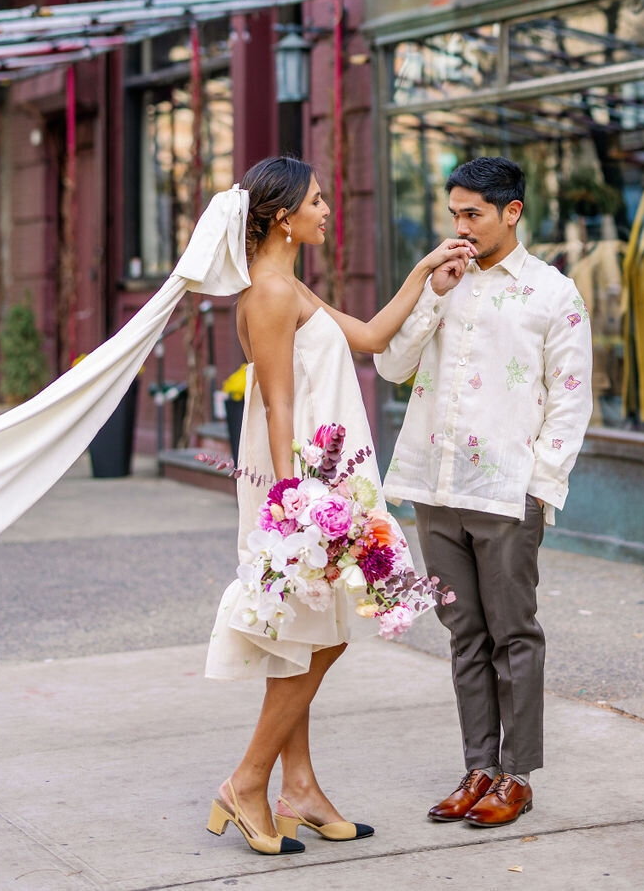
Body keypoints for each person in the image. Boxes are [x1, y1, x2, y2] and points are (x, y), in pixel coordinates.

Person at [205, 156, 474, 857]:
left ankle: (299, 788)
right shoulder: (267, 294)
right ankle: (248, 780)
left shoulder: (290, 286)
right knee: (315, 634)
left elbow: (371, 337)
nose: (328, 210)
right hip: (302, 480)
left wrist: (423, 274)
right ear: (281, 217)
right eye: (317, 201)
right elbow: (276, 400)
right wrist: (297, 499)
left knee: (311, 631)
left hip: (325, 473)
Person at [375, 156, 593, 828]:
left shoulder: (554, 294)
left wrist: (538, 489)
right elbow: (391, 364)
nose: (460, 227)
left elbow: (571, 401)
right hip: (434, 488)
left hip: (506, 494)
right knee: (463, 632)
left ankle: (517, 776)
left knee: (513, 634)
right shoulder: (445, 280)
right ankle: (479, 766)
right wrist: (431, 292)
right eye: (455, 214)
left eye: (473, 213)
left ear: (512, 211)